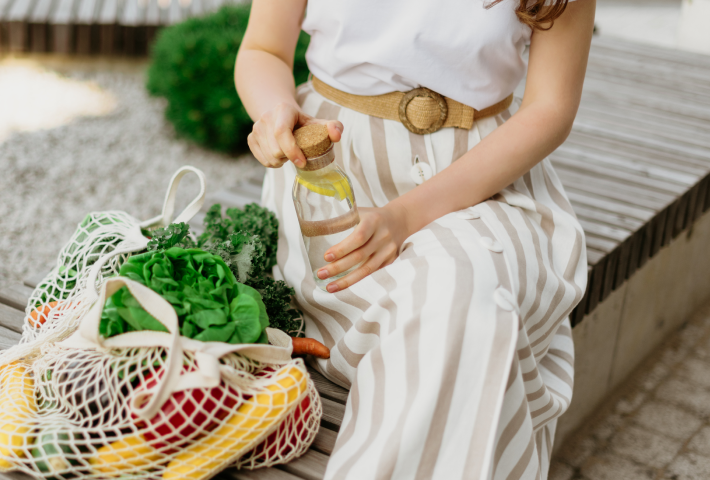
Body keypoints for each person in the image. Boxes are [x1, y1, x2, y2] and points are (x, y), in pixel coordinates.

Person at [235, 0, 595, 478]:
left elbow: (550, 108)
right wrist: (274, 111)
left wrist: (404, 217)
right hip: (338, 174)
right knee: (455, 320)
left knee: (462, 296)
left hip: (484, 181)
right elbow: (263, 49)